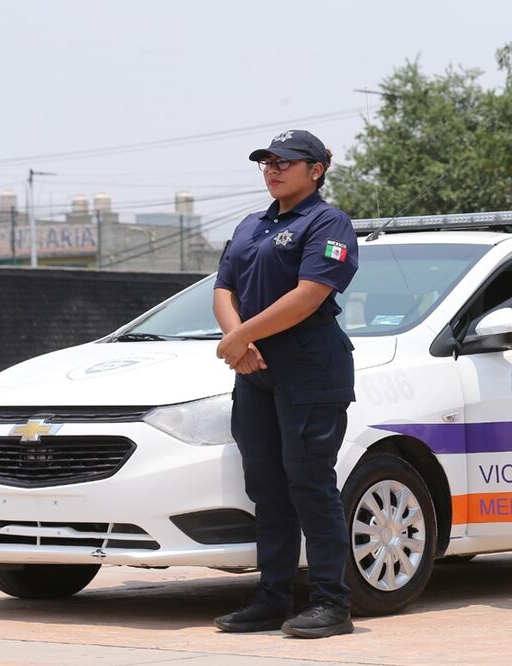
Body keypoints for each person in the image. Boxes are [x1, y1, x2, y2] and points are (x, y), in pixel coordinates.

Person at [211, 129, 359, 638]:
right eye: (267, 162)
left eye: (286, 162)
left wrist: (243, 336)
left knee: (309, 485)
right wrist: (239, 340)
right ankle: (272, 597)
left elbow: (309, 295)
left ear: (316, 169)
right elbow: (224, 287)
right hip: (255, 370)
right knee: (267, 489)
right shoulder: (252, 225)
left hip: (310, 367)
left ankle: (330, 602)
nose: (273, 169)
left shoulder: (327, 221)